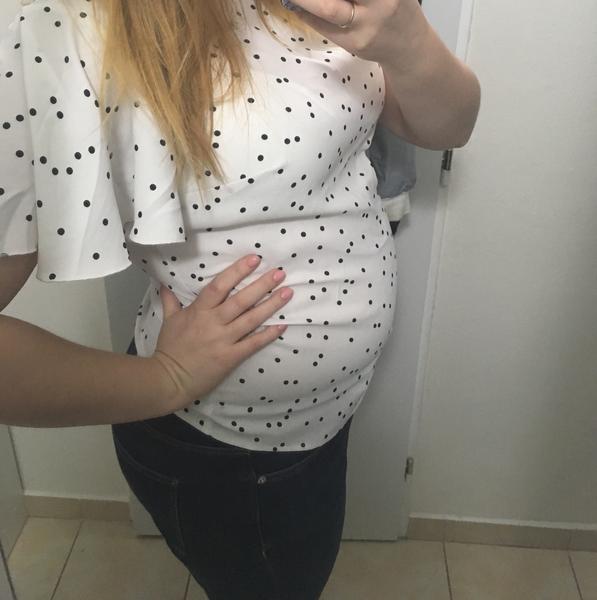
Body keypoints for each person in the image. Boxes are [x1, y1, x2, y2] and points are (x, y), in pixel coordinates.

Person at [0, 0, 480, 597]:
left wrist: (407, 35)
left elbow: (448, 128)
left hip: (323, 420)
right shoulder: (63, 30)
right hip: (227, 453)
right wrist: (168, 378)